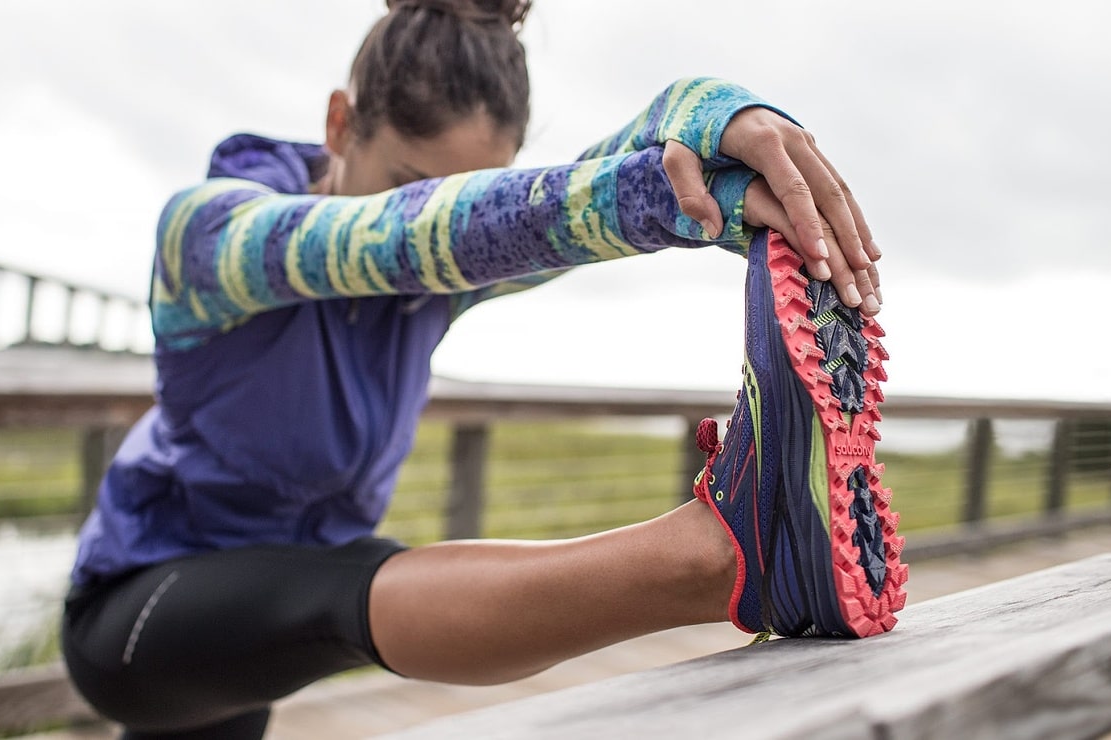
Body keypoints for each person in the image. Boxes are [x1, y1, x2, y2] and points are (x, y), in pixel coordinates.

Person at [60, 1, 906, 737]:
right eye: (410, 183)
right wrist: (668, 202)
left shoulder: (436, 275)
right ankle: (727, 556)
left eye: (477, 192)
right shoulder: (207, 238)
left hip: (256, 626)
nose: (445, 224)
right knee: (341, 586)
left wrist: (718, 117)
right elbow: (417, 236)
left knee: (304, 609)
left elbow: (545, 200)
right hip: (139, 615)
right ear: (338, 125)